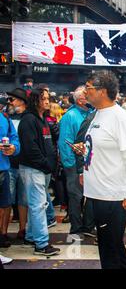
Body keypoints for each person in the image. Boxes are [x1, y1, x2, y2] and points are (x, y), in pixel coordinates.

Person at [77, 72, 126, 269]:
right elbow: (102, 146)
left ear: (102, 91)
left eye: (89, 87)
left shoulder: (119, 118)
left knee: (110, 251)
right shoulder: (97, 114)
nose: (85, 91)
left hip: (113, 195)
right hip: (98, 193)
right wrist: (85, 151)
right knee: (112, 248)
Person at [18, 89, 60, 256]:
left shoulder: (41, 119)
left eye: (48, 98)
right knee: (38, 206)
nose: (47, 101)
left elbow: (45, 144)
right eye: (43, 98)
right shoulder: (28, 120)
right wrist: (45, 164)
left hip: (41, 168)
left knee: (37, 205)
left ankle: (31, 236)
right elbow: (30, 148)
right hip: (34, 168)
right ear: (35, 100)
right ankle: (41, 244)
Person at [57, 86, 94, 242]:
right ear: (81, 100)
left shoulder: (90, 113)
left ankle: (87, 226)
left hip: (88, 163)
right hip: (73, 164)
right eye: (88, 95)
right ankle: (76, 228)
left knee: (89, 195)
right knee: (75, 196)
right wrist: (71, 166)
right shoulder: (70, 116)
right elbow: (64, 143)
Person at [4, 89, 28, 241]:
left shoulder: (29, 117)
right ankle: (3, 232)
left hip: (25, 164)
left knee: (23, 200)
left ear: (21, 101)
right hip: (9, 164)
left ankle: (23, 229)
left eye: (12, 100)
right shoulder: (6, 118)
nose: (9, 103)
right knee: (6, 201)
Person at [0, 105, 20, 261]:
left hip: (3, 169)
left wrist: (14, 148)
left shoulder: (5, 118)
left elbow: (13, 138)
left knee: (4, 205)